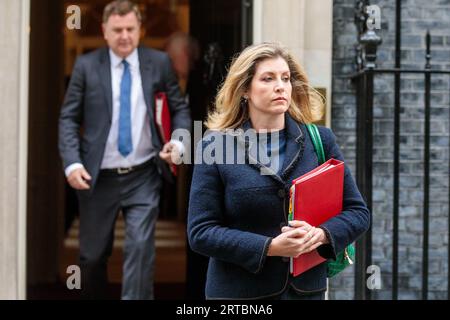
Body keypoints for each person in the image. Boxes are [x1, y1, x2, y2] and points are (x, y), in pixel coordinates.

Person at [187, 42, 370, 300]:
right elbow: (201, 232)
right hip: (239, 294)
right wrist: (270, 248)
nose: (280, 86)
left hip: (305, 292)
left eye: (285, 78)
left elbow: (358, 212)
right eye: (268, 78)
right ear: (244, 90)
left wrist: (321, 235)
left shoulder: (321, 140)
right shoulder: (215, 146)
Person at [58, 0, 190, 300]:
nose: (124, 36)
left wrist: (179, 143)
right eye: (117, 30)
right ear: (104, 31)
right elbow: (68, 118)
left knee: (141, 249)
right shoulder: (86, 66)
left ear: (140, 30)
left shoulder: (159, 62)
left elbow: (180, 108)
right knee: (91, 259)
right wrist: (72, 163)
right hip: (97, 176)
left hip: (144, 173)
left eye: (130, 29)